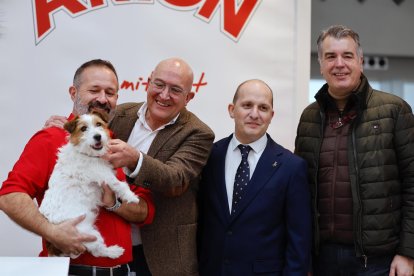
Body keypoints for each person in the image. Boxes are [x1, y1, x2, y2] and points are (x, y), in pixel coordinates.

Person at [45, 57, 215, 275]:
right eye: (159, 84)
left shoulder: (198, 132)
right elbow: (87, 136)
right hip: (113, 253)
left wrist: (136, 159)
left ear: (188, 97)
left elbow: (176, 180)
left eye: (175, 90)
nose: (164, 95)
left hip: (163, 256)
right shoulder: (119, 114)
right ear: (149, 82)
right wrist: (66, 126)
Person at [0, 59, 155, 276]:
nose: (102, 98)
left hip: (123, 270)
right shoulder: (50, 138)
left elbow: (145, 211)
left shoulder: (117, 146)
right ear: (73, 93)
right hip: (71, 269)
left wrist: (113, 203)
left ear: (117, 99)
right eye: (94, 90)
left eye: (110, 92)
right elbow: (9, 195)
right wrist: (52, 232)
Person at [295, 25, 414, 276]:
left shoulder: (395, 110)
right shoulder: (309, 117)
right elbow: (302, 191)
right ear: (320, 64)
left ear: (360, 61)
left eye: (347, 56)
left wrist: (408, 252)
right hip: (322, 260)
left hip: (379, 262)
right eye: (330, 56)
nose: (339, 64)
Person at [198, 79, 312, 275]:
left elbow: (299, 242)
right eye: (247, 105)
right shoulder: (209, 156)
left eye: (263, 108)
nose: (255, 114)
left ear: (271, 115)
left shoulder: (291, 167)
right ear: (232, 110)